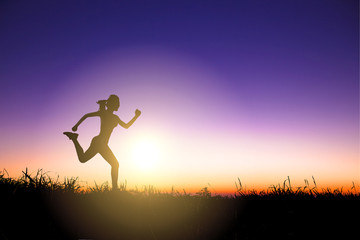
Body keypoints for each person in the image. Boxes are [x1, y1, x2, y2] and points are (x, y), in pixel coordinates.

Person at [63, 94, 141, 190]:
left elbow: (126, 126)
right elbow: (86, 115)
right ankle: (115, 190)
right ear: (112, 104)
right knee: (115, 164)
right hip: (99, 142)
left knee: (83, 159)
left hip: (100, 143)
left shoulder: (115, 117)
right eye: (117, 103)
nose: (119, 105)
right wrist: (76, 125)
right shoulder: (103, 113)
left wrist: (136, 116)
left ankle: (74, 139)